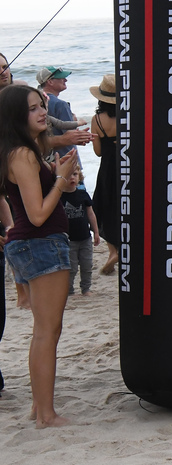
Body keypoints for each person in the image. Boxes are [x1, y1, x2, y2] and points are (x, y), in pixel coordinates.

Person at [1, 83, 80, 426]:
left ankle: (40, 408)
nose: (42, 112)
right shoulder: (22, 154)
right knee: (47, 332)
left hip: (36, 243)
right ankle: (46, 414)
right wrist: (60, 181)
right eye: (33, 108)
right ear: (18, 116)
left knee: (45, 331)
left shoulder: (24, 151)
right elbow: (36, 214)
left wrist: (64, 179)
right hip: (40, 242)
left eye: (41, 105)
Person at [88, 76, 121, 276]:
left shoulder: (96, 120)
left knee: (106, 206)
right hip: (126, 166)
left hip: (107, 168)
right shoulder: (128, 115)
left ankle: (112, 252)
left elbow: (98, 152)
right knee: (123, 205)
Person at [60, 166, 99, 297]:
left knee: (87, 265)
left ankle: (86, 289)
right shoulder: (59, 197)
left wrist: (96, 232)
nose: (72, 177)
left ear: (79, 177)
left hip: (85, 237)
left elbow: (91, 214)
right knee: (71, 267)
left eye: (75, 174)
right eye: (69, 175)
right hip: (68, 240)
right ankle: (69, 290)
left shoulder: (83, 194)